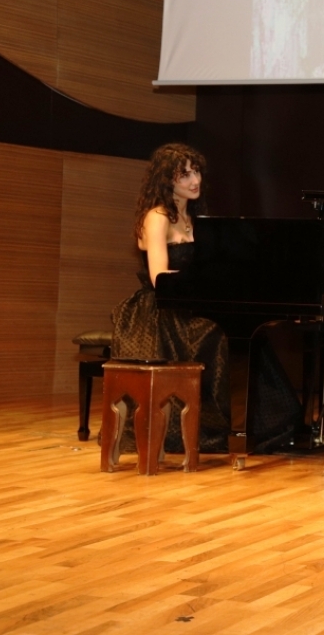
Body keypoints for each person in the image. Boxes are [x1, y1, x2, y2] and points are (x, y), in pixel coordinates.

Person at [109, 143, 231, 455]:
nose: (195, 180)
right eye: (184, 175)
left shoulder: (196, 218)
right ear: (167, 180)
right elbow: (159, 277)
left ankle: (234, 425)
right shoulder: (157, 216)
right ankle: (191, 430)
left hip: (189, 304)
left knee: (233, 332)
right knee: (213, 334)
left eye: (196, 172)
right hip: (160, 307)